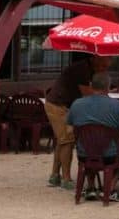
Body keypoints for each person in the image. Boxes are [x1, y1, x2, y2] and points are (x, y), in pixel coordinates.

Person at [44, 55, 111, 189]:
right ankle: (66, 178)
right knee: (67, 140)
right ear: (94, 59)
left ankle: (55, 175)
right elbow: (88, 94)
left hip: (65, 105)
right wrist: (107, 101)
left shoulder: (90, 68)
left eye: (106, 67)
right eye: (102, 66)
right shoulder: (82, 69)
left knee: (62, 140)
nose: (103, 69)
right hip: (58, 104)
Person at [66, 72, 119, 159]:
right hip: (110, 154)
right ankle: (117, 172)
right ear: (108, 87)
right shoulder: (118, 105)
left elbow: (69, 130)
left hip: (84, 154)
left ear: (91, 86)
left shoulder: (76, 104)